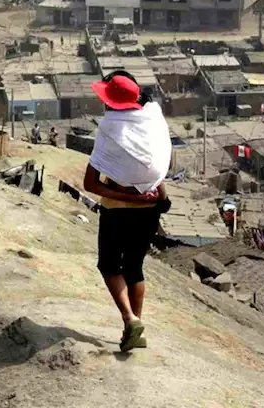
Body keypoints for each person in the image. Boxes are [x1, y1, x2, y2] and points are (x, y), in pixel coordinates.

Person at [82, 70, 171, 352]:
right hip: (150, 209)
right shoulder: (153, 119)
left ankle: (130, 319)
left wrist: (125, 196)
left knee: (109, 265)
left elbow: (90, 183)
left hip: (119, 210)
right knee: (134, 268)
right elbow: (155, 167)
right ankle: (136, 330)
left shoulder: (110, 127)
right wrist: (155, 198)